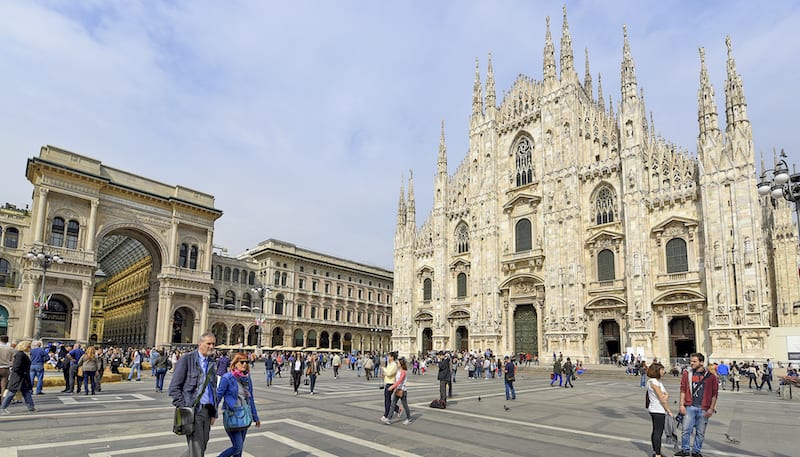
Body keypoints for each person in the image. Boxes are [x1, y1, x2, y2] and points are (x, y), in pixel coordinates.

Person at [169, 332, 219, 457]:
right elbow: (174, 388)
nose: (211, 346)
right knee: (197, 450)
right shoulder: (187, 359)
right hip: (193, 410)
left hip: (207, 411)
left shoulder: (212, 363)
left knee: (202, 446)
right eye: (208, 343)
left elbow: (213, 390)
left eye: (213, 344)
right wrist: (184, 407)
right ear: (200, 344)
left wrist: (214, 413)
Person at [216, 352, 260, 457]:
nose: (244, 364)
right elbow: (218, 396)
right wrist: (212, 413)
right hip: (232, 416)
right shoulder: (227, 378)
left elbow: (251, 398)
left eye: (246, 362)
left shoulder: (247, 378)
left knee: (239, 451)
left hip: (244, 415)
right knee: (237, 447)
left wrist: (255, 417)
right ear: (235, 363)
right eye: (242, 362)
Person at [676, 353, 718, 457]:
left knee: (700, 432)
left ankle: (696, 451)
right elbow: (682, 390)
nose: (692, 363)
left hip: (704, 408)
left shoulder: (711, 377)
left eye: (694, 361)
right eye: (691, 361)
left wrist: (711, 408)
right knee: (685, 430)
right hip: (690, 406)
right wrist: (681, 405)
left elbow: (714, 394)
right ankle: (685, 450)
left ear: (701, 362)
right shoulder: (687, 374)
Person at [1, 341, 36, 414]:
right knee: (11, 392)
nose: (30, 348)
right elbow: (16, 367)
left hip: (22, 377)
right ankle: (3, 408)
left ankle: (31, 408)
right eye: (28, 346)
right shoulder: (20, 355)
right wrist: (23, 373)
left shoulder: (23, 354)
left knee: (26, 392)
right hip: (18, 377)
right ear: (24, 346)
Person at [646, 362, 672, 457]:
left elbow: (666, 394)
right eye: (662, 370)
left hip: (654, 408)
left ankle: (655, 451)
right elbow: (662, 398)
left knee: (655, 431)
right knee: (658, 432)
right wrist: (668, 410)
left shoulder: (656, 381)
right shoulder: (654, 382)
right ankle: (657, 454)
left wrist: (665, 395)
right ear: (657, 371)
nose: (664, 371)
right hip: (658, 409)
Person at [386, 357, 412, 425]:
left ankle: (409, 419)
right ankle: (388, 418)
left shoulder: (403, 372)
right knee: (393, 404)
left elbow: (400, 381)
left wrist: (392, 386)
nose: (397, 363)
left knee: (405, 405)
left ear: (401, 364)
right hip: (397, 390)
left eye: (398, 363)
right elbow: (396, 380)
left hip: (402, 391)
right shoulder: (398, 371)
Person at [380, 352, 398, 424]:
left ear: (392, 357)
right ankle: (397, 409)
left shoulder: (394, 365)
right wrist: (384, 374)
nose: (387, 357)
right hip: (387, 383)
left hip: (391, 383)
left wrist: (384, 369)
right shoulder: (390, 364)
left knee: (387, 400)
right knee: (387, 400)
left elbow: (390, 373)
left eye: (389, 356)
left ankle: (386, 415)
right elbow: (388, 373)